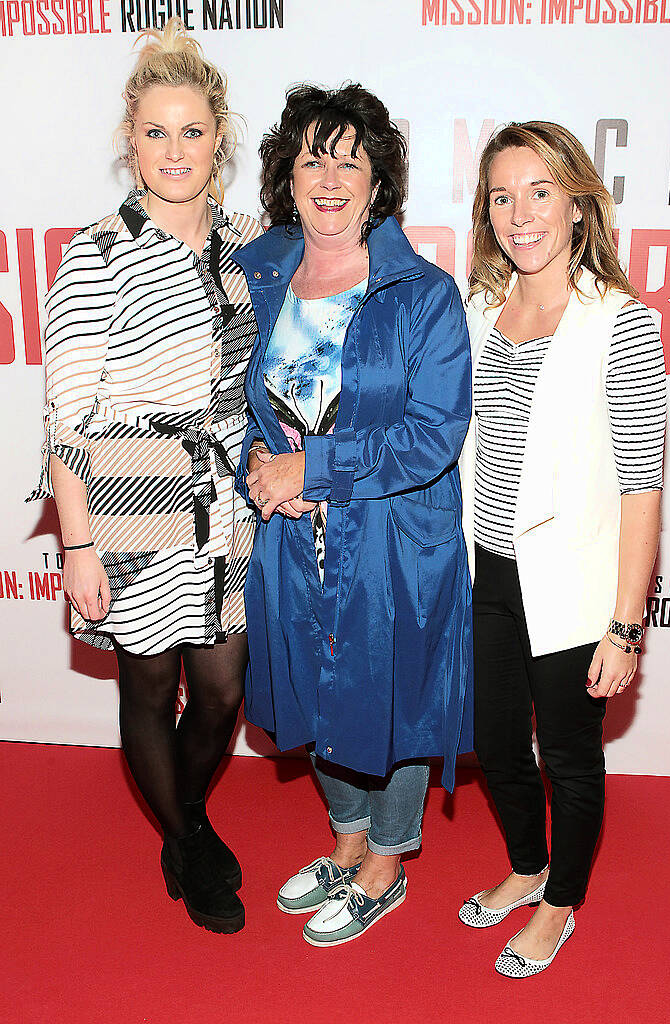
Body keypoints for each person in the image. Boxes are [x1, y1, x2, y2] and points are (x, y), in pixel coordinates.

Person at [27, 18, 262, 934]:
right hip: (130, 488)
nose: (175, 149)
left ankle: (185, 821)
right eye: (156, 132)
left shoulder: (249, 241)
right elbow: (66, 419)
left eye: (193, 131)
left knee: (221, 689)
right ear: (130, 141)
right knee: (145, 684)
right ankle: (189, 840)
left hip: (227, 494)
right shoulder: (96, 252)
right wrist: (77, 543)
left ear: (220, 140)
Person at [231, 84, 473, 947]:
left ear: (378, 184)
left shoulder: (424, 293)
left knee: (396, 690)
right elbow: (224, 402)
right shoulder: (255, 273)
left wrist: (316, 468)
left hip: (396, 539)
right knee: (315, 687)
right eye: (310, 159)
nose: (328, 178)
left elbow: (431, 436)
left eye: (349, 161)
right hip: (291, 532)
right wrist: (261, 468)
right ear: (285, 177)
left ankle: (386, 862)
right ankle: (344, 841)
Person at [457, 121, 666, 977]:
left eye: (539, 191)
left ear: (577, 204)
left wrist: (625, 627)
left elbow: (641, 488)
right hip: (486, 569)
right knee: (497, 745)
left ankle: (559, 902)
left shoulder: (619, 323)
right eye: (501, 196)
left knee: (569, 758)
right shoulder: (474, 308)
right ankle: (525, 864)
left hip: (575, 581)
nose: (520, 213)